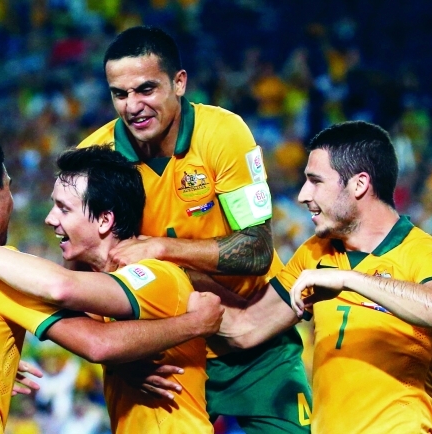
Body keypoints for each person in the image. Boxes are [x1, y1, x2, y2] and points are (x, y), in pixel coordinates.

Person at [0, 133, 223, 433]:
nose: (49, 219)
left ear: (105, 219)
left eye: (64, 208)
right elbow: (97, 340)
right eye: (9, 187)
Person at [76, 25, 311, 433]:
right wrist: (123, 361)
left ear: (179, 83)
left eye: (146, 89)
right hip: (163, 354)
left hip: (256, 339)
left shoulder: (223, 134)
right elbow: (81, 274)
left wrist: (162, 249)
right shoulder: (94, 162)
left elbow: (257, 250)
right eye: (120, 94)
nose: (133, 106)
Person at [215, 120, 432, 433]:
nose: (303, 194)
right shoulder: (315, 252)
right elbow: (245, 328)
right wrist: (173, 272)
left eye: (315, 181)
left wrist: (348, 279)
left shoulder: (422, 252)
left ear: (359, 185)